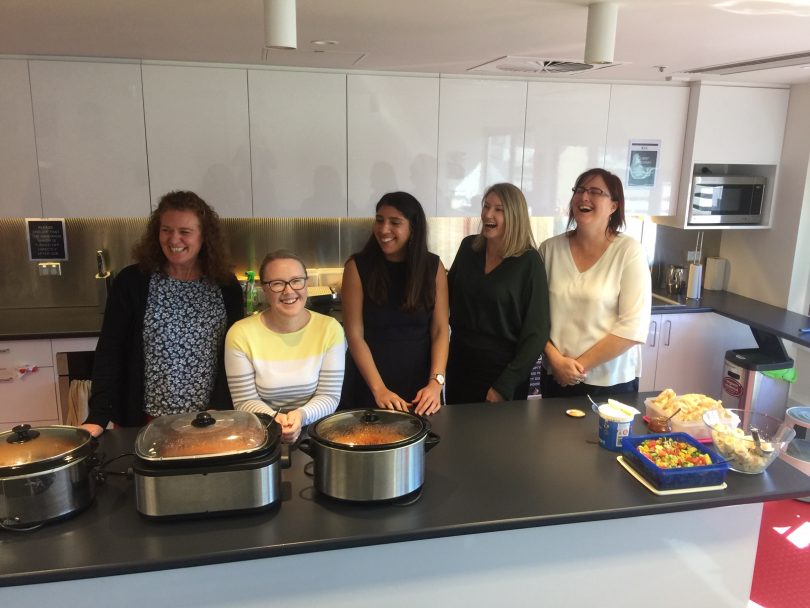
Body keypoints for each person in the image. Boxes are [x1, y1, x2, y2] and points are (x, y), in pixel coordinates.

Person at [81, 191, 243, 437]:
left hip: (209, 419)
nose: (173, 239)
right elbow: (109, 351)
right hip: (144, 419)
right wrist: (98, 416)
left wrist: (219, 407)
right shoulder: (132, 282)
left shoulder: (225, 285)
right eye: (166, 230)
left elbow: (234, 354)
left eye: (184, 232)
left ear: (204, 237)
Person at [539, 168, 651, 398]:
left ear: (613, 206)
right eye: (579, 190)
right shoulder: (549, 249)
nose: (584, 197)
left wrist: (577, 368)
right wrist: (555, 361)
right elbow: (534, 317)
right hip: (555, 376)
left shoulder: (629, 252)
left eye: (595, 192)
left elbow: (632, 327)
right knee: (550, 436)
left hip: (611, 382)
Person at [340, 192, 449, 416]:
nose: (383, 229)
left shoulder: (433, 267)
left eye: (394, 222)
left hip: (421, 389)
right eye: (379, 220)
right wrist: (379, 389)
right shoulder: (357, 267)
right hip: (370, 385)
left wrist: (436, 383)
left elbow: (440, 330)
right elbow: (354, 334)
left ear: (413, 229)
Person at [225, 250, 345, 443]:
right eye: (277, 283)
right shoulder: (240, 334)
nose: (289, 291)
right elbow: (244, 401)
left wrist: (301, 416)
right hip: (261, 432)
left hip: (315, 434)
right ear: (264, 288)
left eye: (296, 280)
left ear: (306, 283)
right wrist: (274, 421)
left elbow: (329, 395)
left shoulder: (330, 329)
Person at [446, 183, 550, 404]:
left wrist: (505, 385)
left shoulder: (529, 262)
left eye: (498, 209)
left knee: (497, 437)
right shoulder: (468, 248)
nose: (488, 215)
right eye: (486, 206)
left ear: (515, 216)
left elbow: (536, 333)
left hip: (502, 373)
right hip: (459, 364)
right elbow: (445, 295)